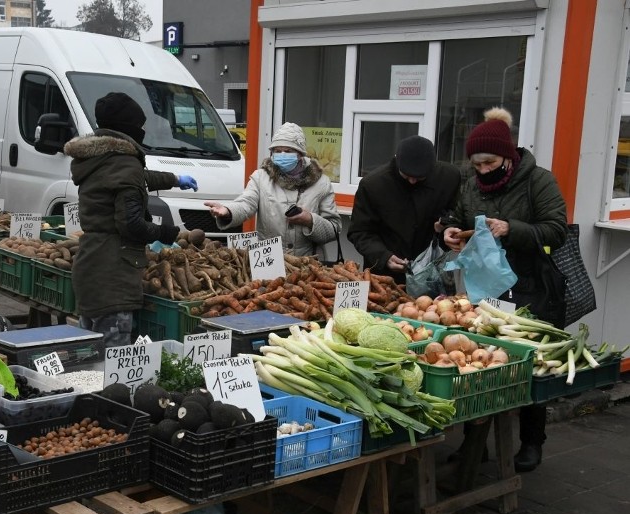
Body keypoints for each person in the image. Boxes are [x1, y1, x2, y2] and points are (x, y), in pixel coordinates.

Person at [443, 107, 568, 473]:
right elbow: (457, 214)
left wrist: (511, 228)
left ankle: (531, 442)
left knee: (528, 364)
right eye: (476, 164)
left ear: (508, 156)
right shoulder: (470, 182)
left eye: (489, 163)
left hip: (531, 286)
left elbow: (556, 230)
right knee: (479, 363)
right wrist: (449, 230)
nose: (482, 170)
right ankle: (474, 443)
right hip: (487, 288)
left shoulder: (538, 181)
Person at [64, 92, 198, 347]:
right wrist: (166, 233)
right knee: (112, 356)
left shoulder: (98, 159)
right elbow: (132, 224)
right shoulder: (124, 165)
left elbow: (138, 178)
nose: (144, 130)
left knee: (91, 350)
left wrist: (175, 179)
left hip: (90, 266)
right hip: (114, 273)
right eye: (140, 125)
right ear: (129, 129)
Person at [203, 122, 341, 258]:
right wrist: (228, 211)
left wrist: (310, 220)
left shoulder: (321, 183)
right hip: (269, 260)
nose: (282, 155)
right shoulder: (261, 177)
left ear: (300, 154)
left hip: (308, 264)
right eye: (277, 151)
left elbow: (334, 229)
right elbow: (246, 203)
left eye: (288, 151)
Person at [347, 135, 461, 284]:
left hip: (433, 274)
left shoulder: (449, 177)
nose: (413, 181)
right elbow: (360, 232)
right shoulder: (372, 185)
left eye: (420, 178)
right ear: (397, 161)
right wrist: (383, 257)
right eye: (406, 175)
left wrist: (447, 225)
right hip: (384, 277)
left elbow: (455, 212)